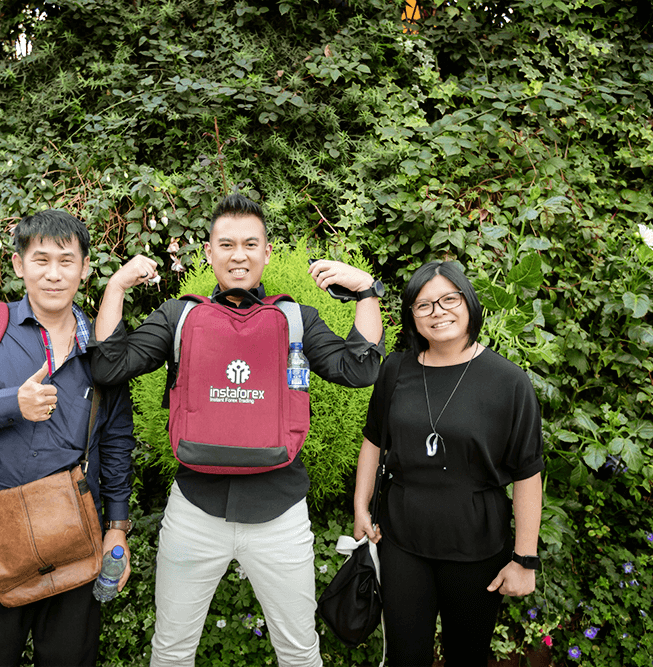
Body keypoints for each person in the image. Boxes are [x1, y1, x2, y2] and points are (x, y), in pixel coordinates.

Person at [90, 194, 385, 667]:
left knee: (299, 651)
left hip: (280, 514)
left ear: (267, 252)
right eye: (226, 245)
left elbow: (359, 368)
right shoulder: (179, 316)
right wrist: (116, 286)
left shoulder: (296, 319)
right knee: (171, 650)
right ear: (209, 252)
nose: (239, 255)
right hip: (194, 511)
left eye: (251, 244)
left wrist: (367, 291)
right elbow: (109, 366)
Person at [0, 209, 135, 667]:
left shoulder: (99, 347)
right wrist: (9, 404)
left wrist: (117, 528)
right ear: (19, 265)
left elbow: (116, 439)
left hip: (75, 539)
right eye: (41, 260)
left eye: (66, 261)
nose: (53, 274)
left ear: (85, 268)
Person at [353, 260, 543, 667]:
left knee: (467, 657)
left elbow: (528, 473)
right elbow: (373, 440)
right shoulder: (395, 370)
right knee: (405, 657)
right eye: (424, 305)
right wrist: (360, 506)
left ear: (468, 302)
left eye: (448, 300)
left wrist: (524, 560)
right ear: (413, 316)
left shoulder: (509, 382)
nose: (437, 312)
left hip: (477, 547)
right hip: (402, 541)